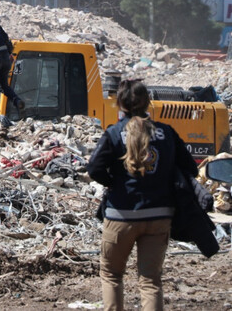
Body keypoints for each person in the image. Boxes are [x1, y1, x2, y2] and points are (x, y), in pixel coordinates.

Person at [86, 80, 198, 311]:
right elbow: (191, 168)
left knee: (112, 275)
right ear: (148, 102)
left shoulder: (114, 133)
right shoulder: (166, 132)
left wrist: (114, 184)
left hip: (121, 217)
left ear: (120, 104)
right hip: (159, 216)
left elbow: (94, 168)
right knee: (150, 281)